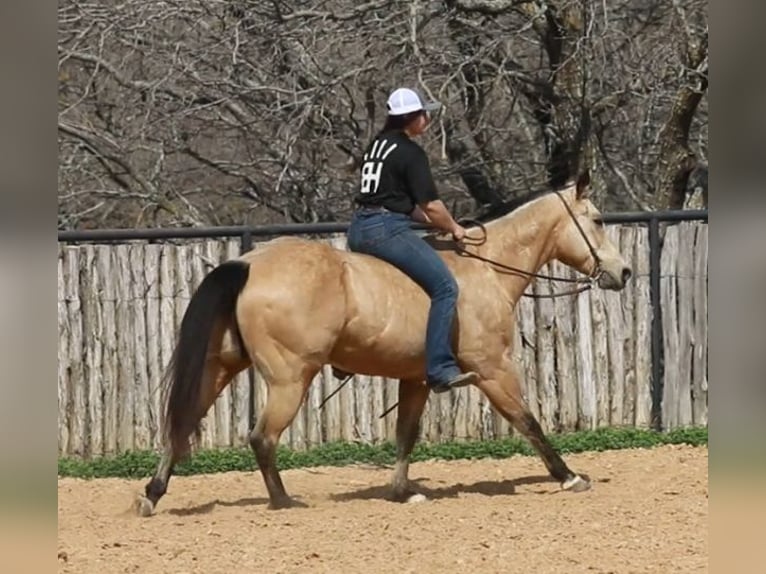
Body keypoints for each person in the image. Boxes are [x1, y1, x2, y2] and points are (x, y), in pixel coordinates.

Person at [346, 87, 480, 394]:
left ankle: (344, 358)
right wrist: (455, 229)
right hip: (386, 230)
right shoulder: (410, 152)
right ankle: (440, 368)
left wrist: (436, 223)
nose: (427, 118)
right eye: (423, 113)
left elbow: (402, 203)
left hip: (360, 228)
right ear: (411, 118)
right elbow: (431, 204)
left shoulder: (377, 146)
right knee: (445, 287)